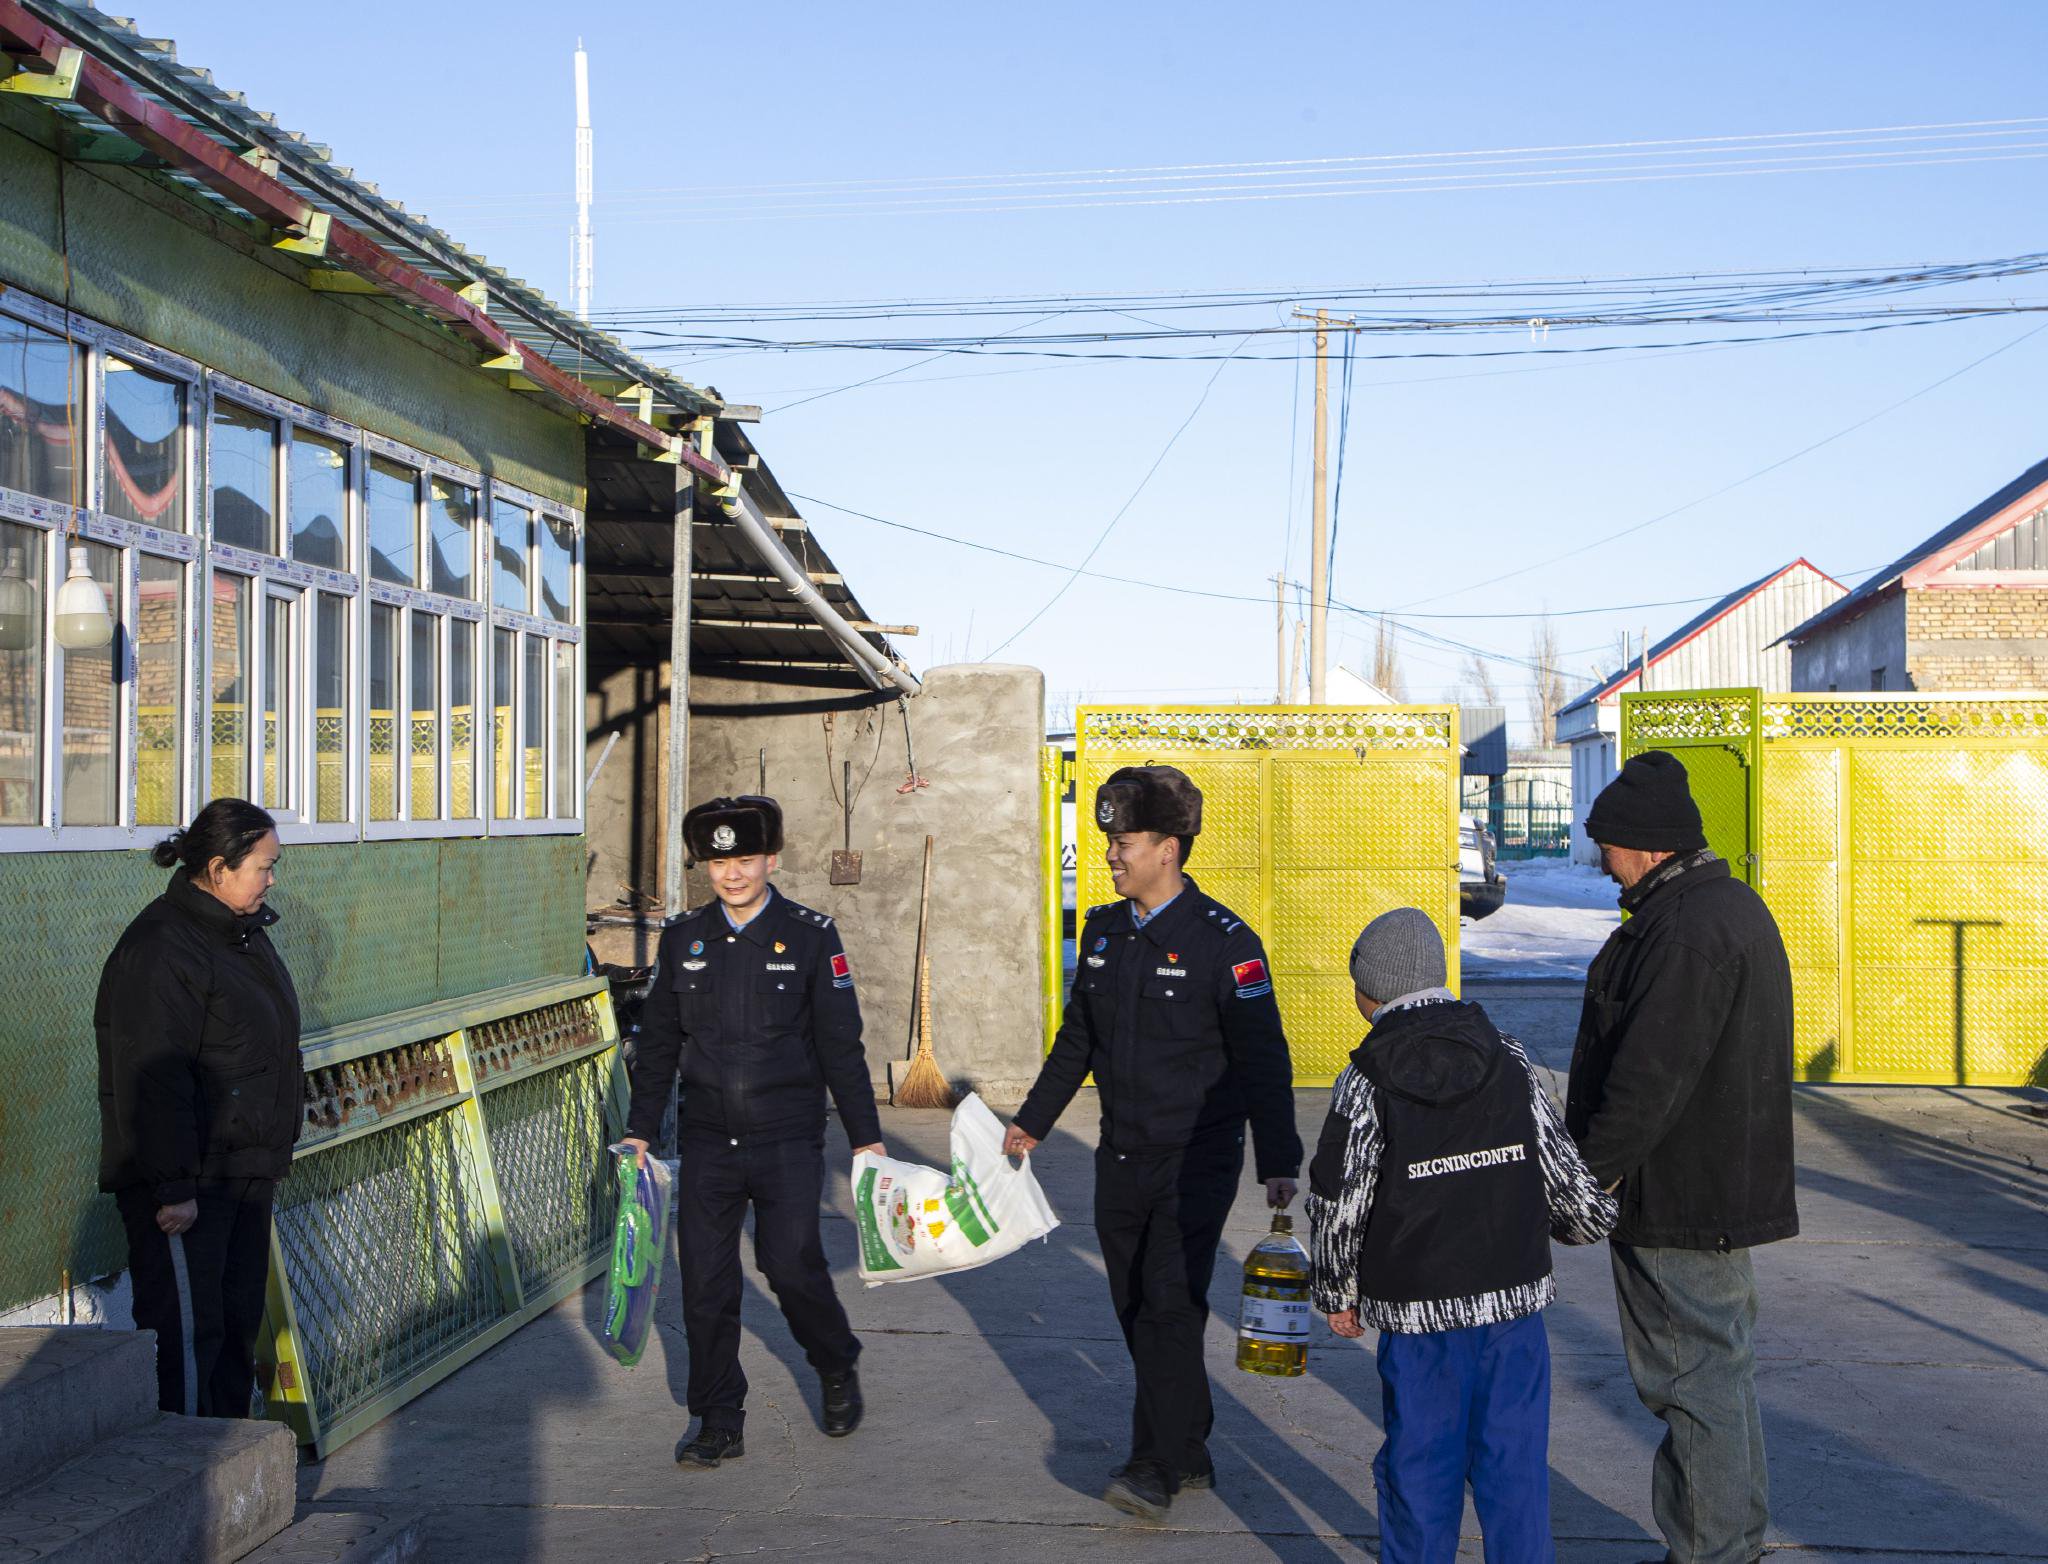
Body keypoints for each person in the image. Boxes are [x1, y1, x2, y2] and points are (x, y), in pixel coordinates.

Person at [1004, 764, 1301, 1521]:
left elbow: (1263, 1057)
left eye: (1124, 841)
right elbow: (1078, 1040)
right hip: (1122, 1155)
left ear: (1168, 848)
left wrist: (1278, 1160)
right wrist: (1032, 1120)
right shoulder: (1103, 933)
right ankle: (1191, 1442)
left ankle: (1152, 1466)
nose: (1110, 854)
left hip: (1194, 1160)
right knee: (1137, 1308)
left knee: (1169, 1305)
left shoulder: (1225, 943)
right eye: (1109, 840)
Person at [1308, 908, 1617, 1563]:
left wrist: (1337, 1289)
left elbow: (1340, 1195)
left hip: (1419, 1315)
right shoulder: (1507, 1057)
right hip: (1512, 1310)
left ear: (1373, 990)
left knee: (1420, 1473)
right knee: (1516, 1475)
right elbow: (1561, 1174)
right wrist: (1588, 1221)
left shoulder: (1366, 1078)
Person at [1567, 751, 1798, 1564]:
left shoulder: (1688, 928)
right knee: (1718, 1381)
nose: (1601, 860)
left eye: (1609, 844)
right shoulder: (1716, 907)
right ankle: (1729, 1542)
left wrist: (1580, 1179)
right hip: (1711, 1193)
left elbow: (1647, 1079)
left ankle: (1711, 1553)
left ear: (1649, 844)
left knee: (1692, 1385)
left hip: (1681, 1201)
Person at [623, 795, 884, 1470]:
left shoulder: (809, 934)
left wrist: (865, 1138)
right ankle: (716, 1417)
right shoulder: (684, 939)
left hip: (787, 1136)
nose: (731, 874)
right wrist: (640, 1131)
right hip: (709, 1138)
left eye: (743, 859)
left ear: (771, 858)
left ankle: (834, 1362)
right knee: (705, 1285)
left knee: (789, 1265)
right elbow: (657, 1047)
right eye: (718, 861)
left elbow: (840, 1045)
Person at [96, 798, 299, 1419]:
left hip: (240, 1170)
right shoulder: (162, 949)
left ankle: (231, 1462)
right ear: (218, 867)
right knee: (189, 1333)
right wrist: (173, 1187)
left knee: (235, 1322)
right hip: (189, 1186)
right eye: (263, 866)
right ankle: (183, 1473)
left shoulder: (241, 934)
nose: (271, 878)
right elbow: (151, 1078)